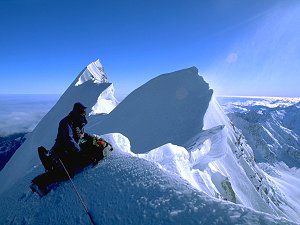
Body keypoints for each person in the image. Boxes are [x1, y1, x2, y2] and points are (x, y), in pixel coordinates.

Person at [31, 102, 111, 197]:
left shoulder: (77, 121)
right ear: (76, 112)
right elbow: (69, 140)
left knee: (79, 162)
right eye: (82, 112)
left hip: (70, 151)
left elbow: (82, 135)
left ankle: (51, 163)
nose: (83, 114)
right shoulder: (66, 123)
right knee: (66, 173)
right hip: (60, 152)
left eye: (83, 112)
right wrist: (79, 152)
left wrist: (93, 138)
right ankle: (38, 183)